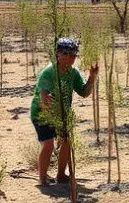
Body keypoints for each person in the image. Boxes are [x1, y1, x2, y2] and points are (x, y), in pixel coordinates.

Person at [32, 38, 98, 186]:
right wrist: (52, 120)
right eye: (66, 54)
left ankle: (61, 175)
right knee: (48, 144)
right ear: (57, 54)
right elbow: (43, 97)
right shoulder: (49, 72)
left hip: (63, 113)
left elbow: (84, 92)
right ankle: (42, 179)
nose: (69, 58)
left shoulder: (73, 73)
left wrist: (92, 77)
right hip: (42, 112)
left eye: (73, 56)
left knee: (67, 142)